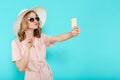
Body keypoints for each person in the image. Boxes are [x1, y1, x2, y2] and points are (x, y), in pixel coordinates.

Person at [12, 6, 80, 80]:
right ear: (24, 22)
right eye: (31, 19)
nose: (36, 21)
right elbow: (21, 68)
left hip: (46, 75)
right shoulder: (16, 43)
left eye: (37, 18)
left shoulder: (41, 37)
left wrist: (72, 34)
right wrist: (27, 48)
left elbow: (57, 38)